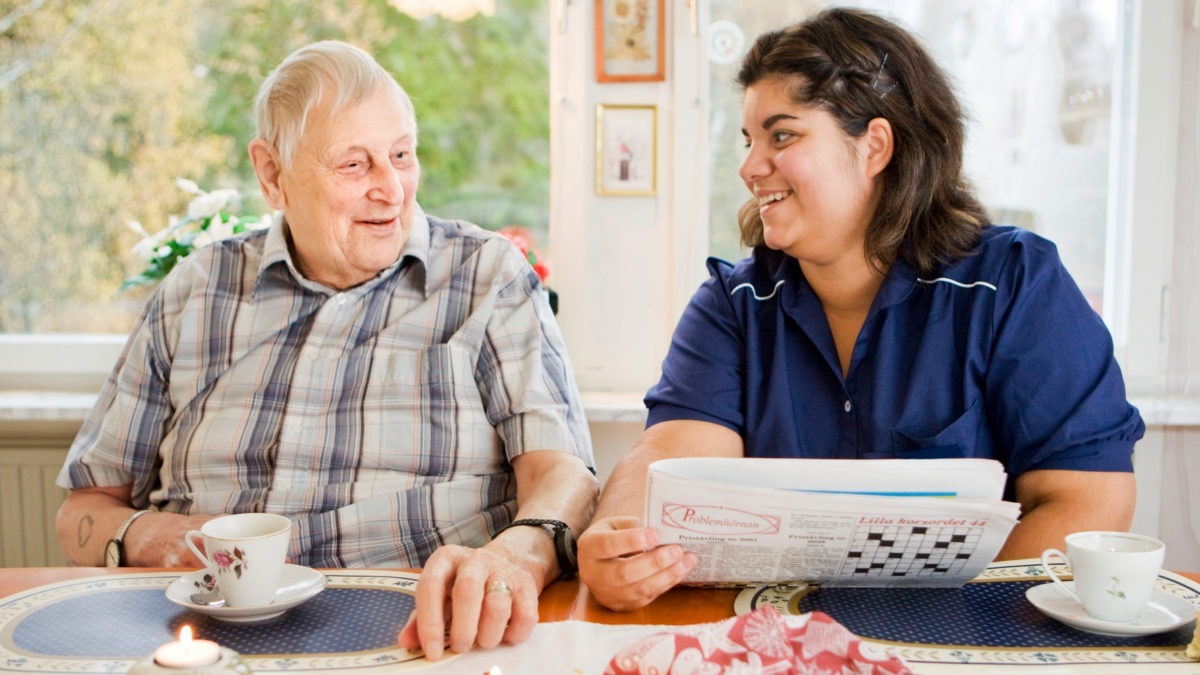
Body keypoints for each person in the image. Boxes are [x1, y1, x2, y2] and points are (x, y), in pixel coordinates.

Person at [577, 7, 1145, 611]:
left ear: (874, 145)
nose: (748, 167)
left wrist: (928, 626)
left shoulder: (1012, 283)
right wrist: (616, 535)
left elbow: (1089, 499)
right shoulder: (733, 305)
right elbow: (669, 459)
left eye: (782, 135)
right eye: (749, 141)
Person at [54, 40, 598, 659]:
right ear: (272, 174)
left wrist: (518, 552)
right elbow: (84, 509)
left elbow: (564, 474)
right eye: (354, 166)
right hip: (210, 643)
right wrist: (153, 537)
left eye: (401, 155)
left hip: (422, 638)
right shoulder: (197, 292)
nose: (392, 189)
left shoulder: (485, 278)